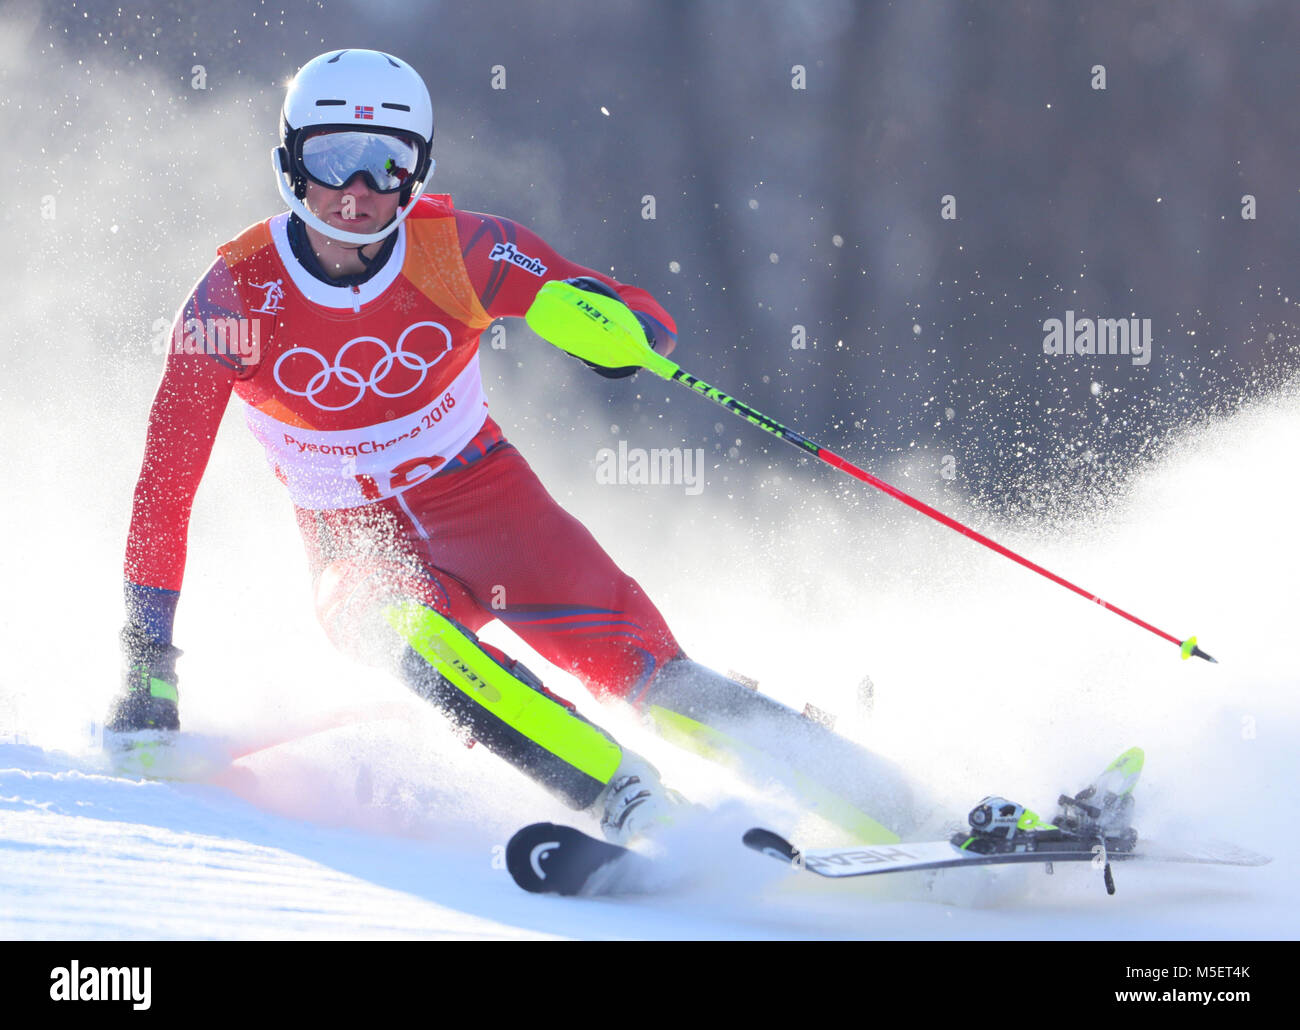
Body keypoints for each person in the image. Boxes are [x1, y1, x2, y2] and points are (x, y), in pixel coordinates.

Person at [109, 48, 919, 844]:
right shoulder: (234, 295)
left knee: (643, 666)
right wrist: (148, 661)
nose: (356, 191)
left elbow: (640, 316)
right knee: (394, 633)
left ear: (415, 173)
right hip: (351, 538)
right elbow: (164, 488)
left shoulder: (458, 250)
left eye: (385, 165)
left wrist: (611, 330)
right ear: (289, 163)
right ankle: (625, 793)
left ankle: (911, 812)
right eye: (334, 159)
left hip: (488, 502)